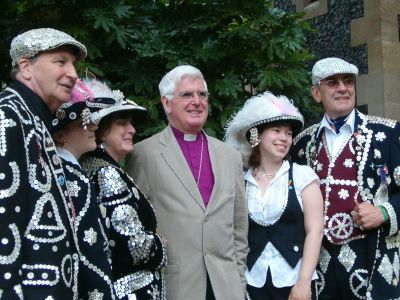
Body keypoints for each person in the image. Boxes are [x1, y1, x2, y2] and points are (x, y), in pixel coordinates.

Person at [125, 65, 249, 300]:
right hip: (177, 288)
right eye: (187, 95)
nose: (197, 101)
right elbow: (136, 228)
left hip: (226, 289)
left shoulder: (230, 156)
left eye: (202, 94)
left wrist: (238, 281)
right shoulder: (143, 154)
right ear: (167, 103)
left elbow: (239, 229)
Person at [291, 57, 400, 299]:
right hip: (320, 268)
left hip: (374, 260)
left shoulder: (388, 134)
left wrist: (384, 212)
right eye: (332, 82)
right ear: (316, 93)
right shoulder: (302, 144)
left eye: (348, 81)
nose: (343, 87)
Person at [0, 28, 87, 298]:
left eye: (73, 64)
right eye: (60, 62)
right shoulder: (8, 117)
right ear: (26, 67)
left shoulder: (34, 120)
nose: (73, 74)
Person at [224, 92, 324, 300]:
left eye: (288, 133)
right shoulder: (241, 180)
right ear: (256, 136)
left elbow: (315, 231)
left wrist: (303, 282)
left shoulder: (302, 176)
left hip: (293, 281)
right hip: (252, 282)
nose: (284, 138)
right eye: (276, 131)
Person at [80, 79, 167, 300]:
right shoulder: (107, 174)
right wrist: (159, 244)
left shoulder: (96, 168)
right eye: (122, 123)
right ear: (101, 130)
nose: (132, 129)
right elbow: (133, 246)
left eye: (131, 123)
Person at [51, 79, 115, 299]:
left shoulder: (63, 171)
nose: (95, 127)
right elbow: (90, 252)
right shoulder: (71, 177)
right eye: (84, 122)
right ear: (59, 135)